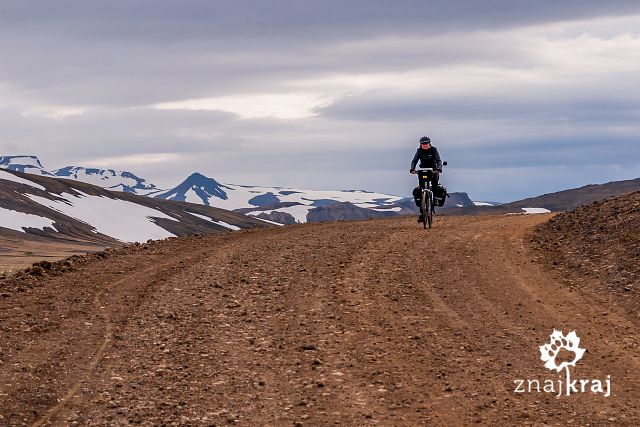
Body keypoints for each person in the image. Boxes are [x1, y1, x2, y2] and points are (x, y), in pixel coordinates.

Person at [410, 136, 443, 221]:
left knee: (435, 183)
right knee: (421, 189)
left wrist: (438, 168)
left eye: (426, 144)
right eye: (423, 144)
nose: (424, 145)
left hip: (433, 169)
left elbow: (438, 160)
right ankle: (422, 213)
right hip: (422, 170)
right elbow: (414, 160)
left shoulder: (434, 150)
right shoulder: (419, 151)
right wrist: (412, 168)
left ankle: (435, 198)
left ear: (429, 143)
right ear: (420, 144)